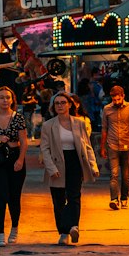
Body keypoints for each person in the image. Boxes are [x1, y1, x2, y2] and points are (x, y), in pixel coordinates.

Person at [40, 90, 99, 245]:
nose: (60, 105)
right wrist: (51, 168)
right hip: (57, 163)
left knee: (74, 196)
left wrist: (93, 165)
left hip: (75, 161)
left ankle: (74, 226)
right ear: (53, 106)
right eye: (57, 103)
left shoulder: (79, 123)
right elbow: (44, 149)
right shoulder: (48, 125)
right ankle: (63, 232)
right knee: (58, 199)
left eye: (63, 102)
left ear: (70, 105)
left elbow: (87, 146)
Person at [0, 86, 28, 245]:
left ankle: (14, 228)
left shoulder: (18, 118)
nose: (5, 100)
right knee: (1, 197)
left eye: (8, 97)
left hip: (15, 158)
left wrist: (21, 160)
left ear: (12, 100)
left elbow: (24, 141)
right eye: (1, 97)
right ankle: (0, 233)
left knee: (14, 198)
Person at [100, 83, 129, 210]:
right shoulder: (107, 109)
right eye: (114, 99)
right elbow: (104, 129)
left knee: (125, 175)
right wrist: (103, 147)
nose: (116, 101)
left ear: (123, 96)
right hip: (112, 145)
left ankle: (124, 198)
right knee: (114, 174)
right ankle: (114, 200)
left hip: (127, 145)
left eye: (118, 99)